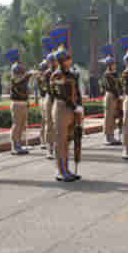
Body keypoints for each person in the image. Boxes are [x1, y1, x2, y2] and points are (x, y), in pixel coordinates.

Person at [50, 34, 83, 181]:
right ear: (62, 61)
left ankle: (67, 168)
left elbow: (77, 92)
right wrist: (74, 106)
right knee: (61, 140)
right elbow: (61, 94)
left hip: (72, 109)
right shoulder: (56, 75)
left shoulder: (72, 75)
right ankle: (60, 170)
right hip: (62, 108)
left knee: (69, 140)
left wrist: (80, 106)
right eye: (67, 58)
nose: (70, 60)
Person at [6, 49, 32, 155]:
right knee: (17, 125)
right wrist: (27, 76)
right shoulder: (15, 78)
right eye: (19, 72)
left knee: (21, 125)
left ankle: (19, 144)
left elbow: (26, 87)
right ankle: (14, 145)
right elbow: (19, 81)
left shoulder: (22, 74)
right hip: (17, 103)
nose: (21, 73)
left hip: (23, 102)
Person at [100, 46, 122, 146]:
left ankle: (112, 135)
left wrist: (120, 94)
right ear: (109, 65)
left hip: (115, 96)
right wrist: (118, 95)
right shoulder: (107, 74)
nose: (114, 66)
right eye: (112, 64)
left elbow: (118, 85)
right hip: (110, 96)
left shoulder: (114, 74)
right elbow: (110, 87)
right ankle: (108, 136)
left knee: (113, 117)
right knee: (109, 117)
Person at [40, 38, 58, 159]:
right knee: (50, 124)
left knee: (59, 125)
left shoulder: (60, 72)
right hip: (50, 99)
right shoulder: (47, 74)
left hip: (59, 100)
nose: (53, 63)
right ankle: (49, 148)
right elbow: (46, 88)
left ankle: (57, 147)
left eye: (55, 61)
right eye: (51, 61)